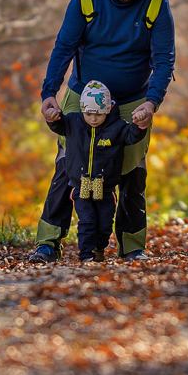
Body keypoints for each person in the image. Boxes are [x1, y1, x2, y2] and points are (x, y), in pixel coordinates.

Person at [29, 0, 175, 263]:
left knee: (131, 174)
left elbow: (164, 61)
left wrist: (151, 103)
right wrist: (49, 93)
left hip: (130, 103)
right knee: (67, 168)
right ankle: (48, 243)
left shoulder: (156, 5)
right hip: (81, 99)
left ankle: (132, 246)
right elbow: (64, 46)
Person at [44, 80, 149, 262]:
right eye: (89, 113)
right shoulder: (74, 123)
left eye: (99, 114)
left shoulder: (116, 127)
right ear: (83, 110)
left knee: (105, 223)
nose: (93, 118)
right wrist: (52, 118)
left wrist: (140, 125)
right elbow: (59, 126)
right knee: (87, 222)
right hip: (81, 186)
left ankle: (99, 248)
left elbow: (131, 136)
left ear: (107, 110)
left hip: (106, 188)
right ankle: (86, 255)